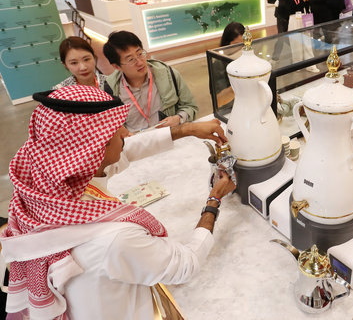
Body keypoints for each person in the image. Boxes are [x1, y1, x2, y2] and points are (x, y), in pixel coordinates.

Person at [0, 85, 234, 320]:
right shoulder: (114, 239)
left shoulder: (45, 179)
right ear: (91, 149)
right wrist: (214, 200)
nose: (126, 134)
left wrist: (188, 128)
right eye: (115, 129)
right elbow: (185, 265)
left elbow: (122, 151)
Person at [103, 31, 198, 132]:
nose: (140, 62)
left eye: (140, 54)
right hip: (136, 144)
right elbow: (108, 127)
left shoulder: (169, 75)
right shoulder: (109, 90)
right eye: (131, 60)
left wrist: (178, 118)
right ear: (117, 66)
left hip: (169, 137)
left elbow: (190, 107)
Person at [210, 22, 244, 108]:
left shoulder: (247, 58)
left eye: (243, 44)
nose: (240, 48)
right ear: (227, 43)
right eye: (236, 44)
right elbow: (219, 99)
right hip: (230, 109)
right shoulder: (219, 64)